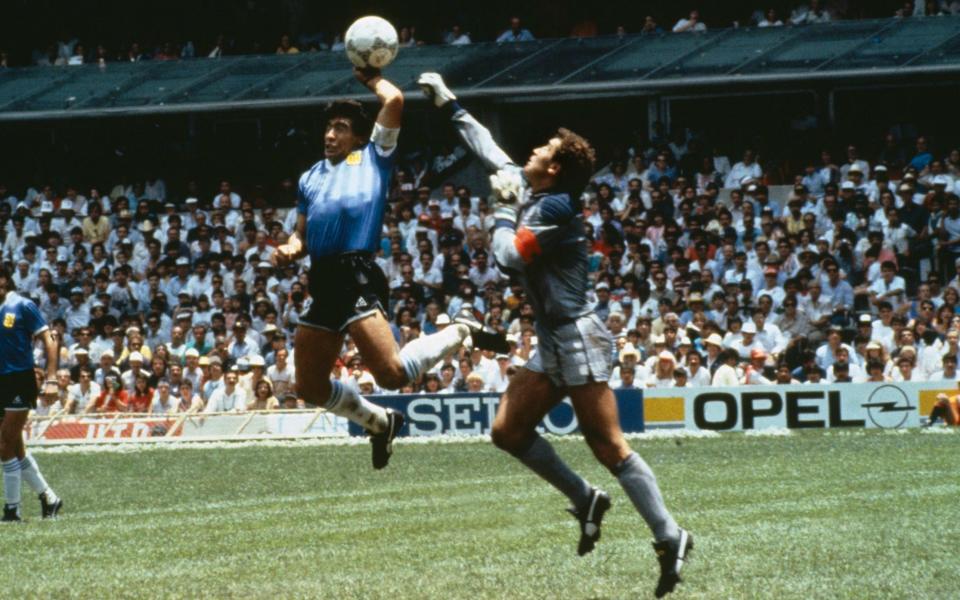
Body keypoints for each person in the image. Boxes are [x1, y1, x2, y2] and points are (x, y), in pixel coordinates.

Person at [418, 72, 691, 598]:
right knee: (507, 431)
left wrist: (498, 211)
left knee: (609, 446)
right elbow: (489, 151)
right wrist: (449, 102)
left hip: (579, 337)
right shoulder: (534, 187)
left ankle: (670, 534)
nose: (533, 150)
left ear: (556, 167)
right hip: (555, 339)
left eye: (543, 148)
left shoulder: (556, 207)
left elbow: (504, 258)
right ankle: (587, 499)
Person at [273, 66, 480, 470]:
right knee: (310, 386)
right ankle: (381, 422)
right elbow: (301, 236)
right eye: (328, 127)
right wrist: (289, 248)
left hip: (356, 273)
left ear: (357, 136)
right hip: (323, 278)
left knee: (391, 374)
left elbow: (395, 100)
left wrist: (369, 77)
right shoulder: (309, 178)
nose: (330, 135)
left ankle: (458, 330)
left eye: (340, 128)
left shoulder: (373, 157)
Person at [0, 268, 63, 521]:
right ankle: (50, 498)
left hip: (19, 380)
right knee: (15, 447)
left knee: (3, 445)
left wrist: (51, 379)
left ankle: (12, 509)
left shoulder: (22, 305)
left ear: (5, 279)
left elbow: (50, 339)